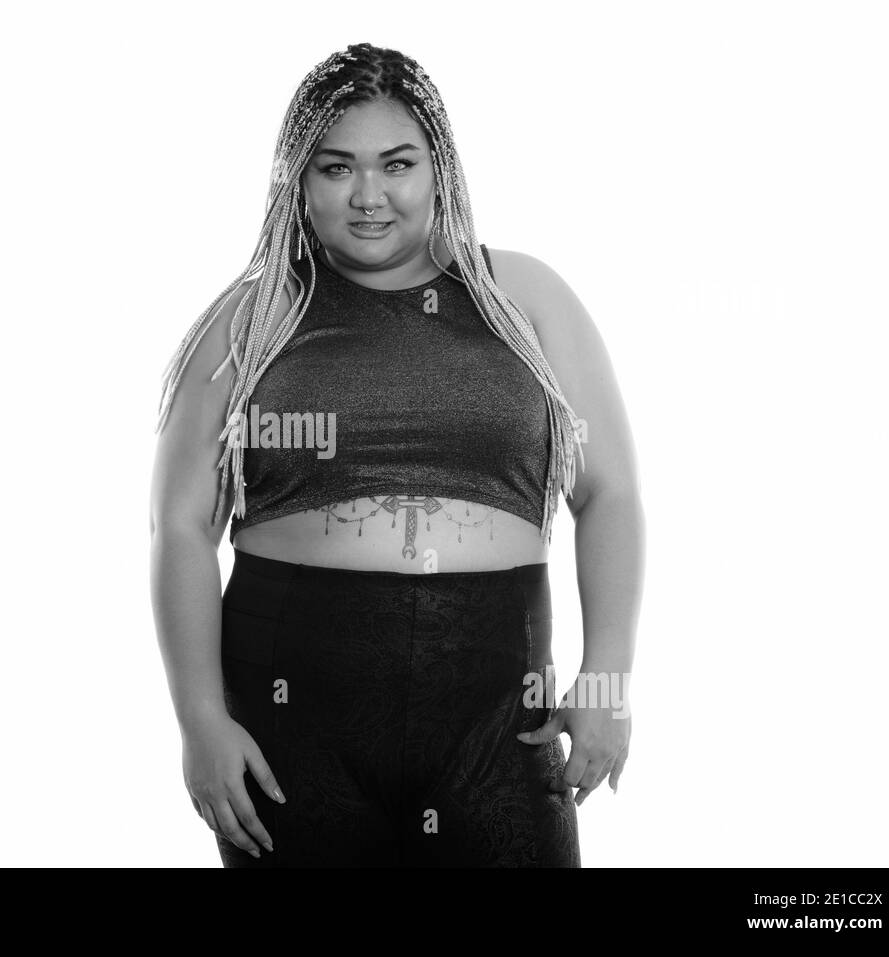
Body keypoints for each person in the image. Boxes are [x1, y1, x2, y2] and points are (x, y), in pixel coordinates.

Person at [150, 42, 644, 867]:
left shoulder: (525, 299)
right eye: (336, 168)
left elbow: (612, 496)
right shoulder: (252, 316)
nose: (369, 195)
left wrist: (607, 684)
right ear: (297, 182)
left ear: (439, 169)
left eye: (397, 164)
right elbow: (177, 526)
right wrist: (200, 720)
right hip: (294, 723)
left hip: (496, 715)